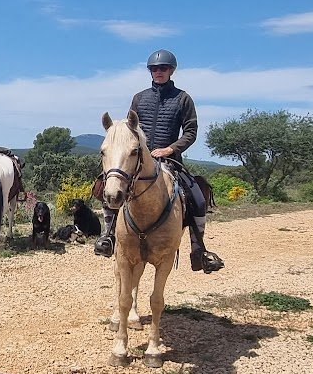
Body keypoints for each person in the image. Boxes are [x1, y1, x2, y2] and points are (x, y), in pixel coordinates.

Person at [93, 49, 225, 274]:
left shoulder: (183, 98)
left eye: (162, 68)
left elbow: (190, 132)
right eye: (154, 69)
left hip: (170, 160)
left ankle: (198, 250)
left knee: (198, 197)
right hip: (139, 159)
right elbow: (128, 130)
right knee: (107, 187)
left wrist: (170, 149)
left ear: (171, 70)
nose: (158, 72)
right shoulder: (140, 98)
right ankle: (108, 236)